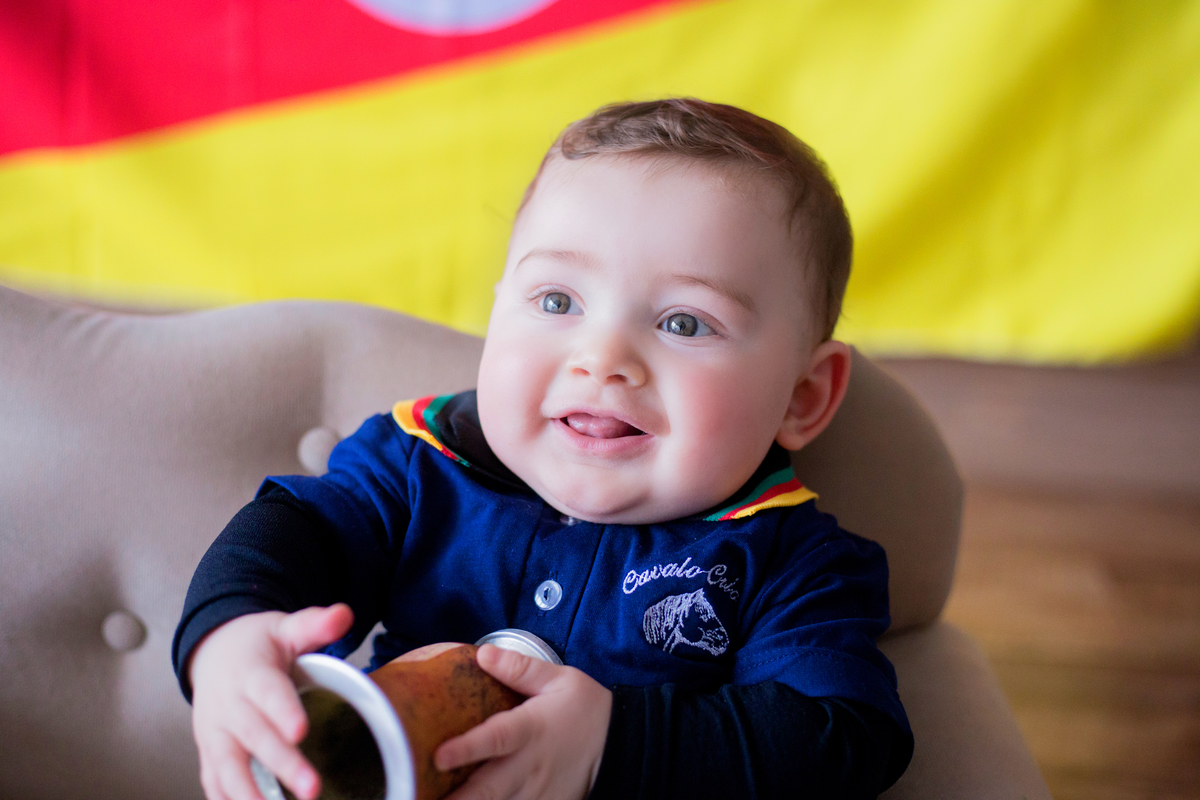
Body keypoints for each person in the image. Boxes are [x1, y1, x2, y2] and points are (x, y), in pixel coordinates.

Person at [173, 98, 914, 800]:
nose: (603, 358)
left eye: (685, 323)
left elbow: (847, 741)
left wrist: (611, 746)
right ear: (498, 314)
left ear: (801, 396)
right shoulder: (418, 467)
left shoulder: (791, 561)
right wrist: (230, 634)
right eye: (558, 302)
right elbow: (295, 532)